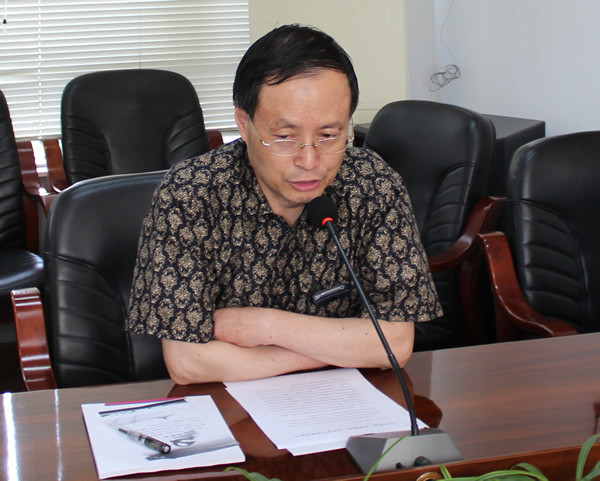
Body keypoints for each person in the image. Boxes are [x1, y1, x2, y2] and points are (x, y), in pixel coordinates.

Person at [127, 24, 442, 384]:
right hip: (229, 408)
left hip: (345, 404)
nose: (309, 161)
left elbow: (395, 344)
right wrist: (343, 348)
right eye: (284, 137)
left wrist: (266, 327)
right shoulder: (190, 195)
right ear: (244, 124)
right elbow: (189, 363)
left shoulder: (373, 185)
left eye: (329, 135)